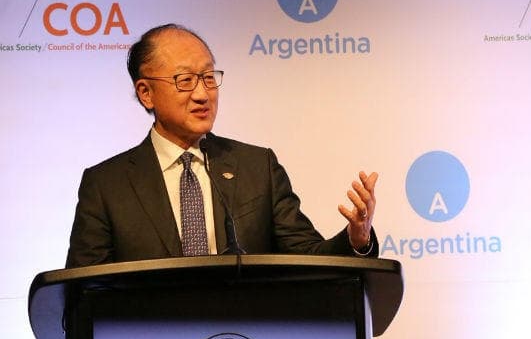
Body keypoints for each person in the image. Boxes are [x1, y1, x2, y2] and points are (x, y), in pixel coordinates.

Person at [65, 23, 378, 268]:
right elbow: (84, 291)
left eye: (208, 77)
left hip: (244, 331)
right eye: (185, 80)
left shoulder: (258, 168)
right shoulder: (106, 186)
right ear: (146, 93)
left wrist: (356, 239)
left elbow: (307, 257)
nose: (203, 94)